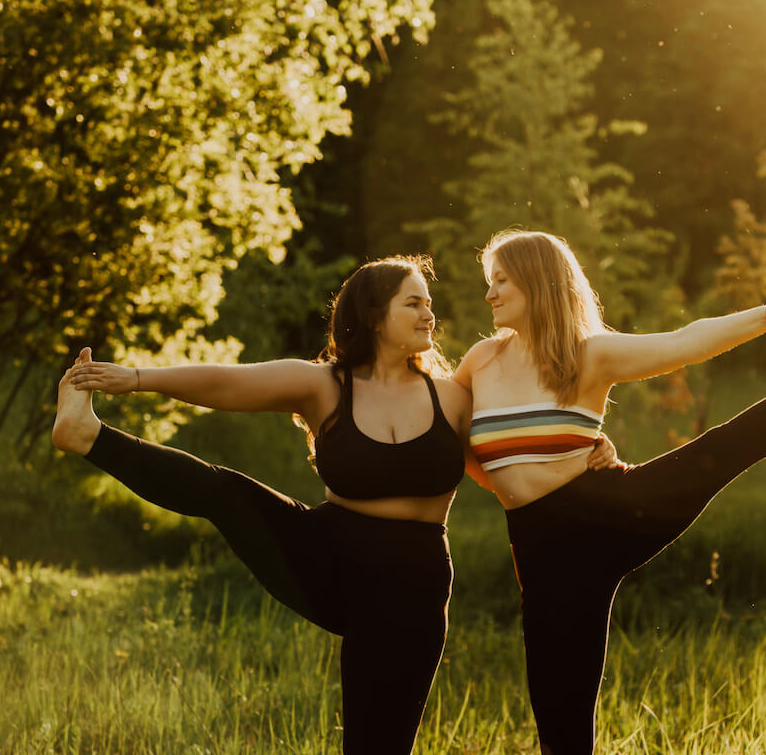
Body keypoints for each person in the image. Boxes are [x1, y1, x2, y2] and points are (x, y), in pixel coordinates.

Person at [455, 230, 766, 754]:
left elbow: (683, 343)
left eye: (501, 281)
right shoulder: (480, 361)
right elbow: (445, 434)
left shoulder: (592, 355)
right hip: (541, 553)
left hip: (607, 513)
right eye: (489, 283)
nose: (490, 294)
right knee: (559, 714)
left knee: (715, 453)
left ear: (537, 283)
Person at [51, 256, 478, 753]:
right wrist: (137, 378)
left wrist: (593, 449)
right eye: (414, 303)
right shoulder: (324, 385)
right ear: (374, 314)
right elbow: (227, 383)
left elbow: (524, 442)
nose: (429, 314)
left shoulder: (455, 399)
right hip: (329, 557)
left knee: (379, 742)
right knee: (222, 490)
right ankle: (88, 436)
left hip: (415, 584)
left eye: (429, 304)